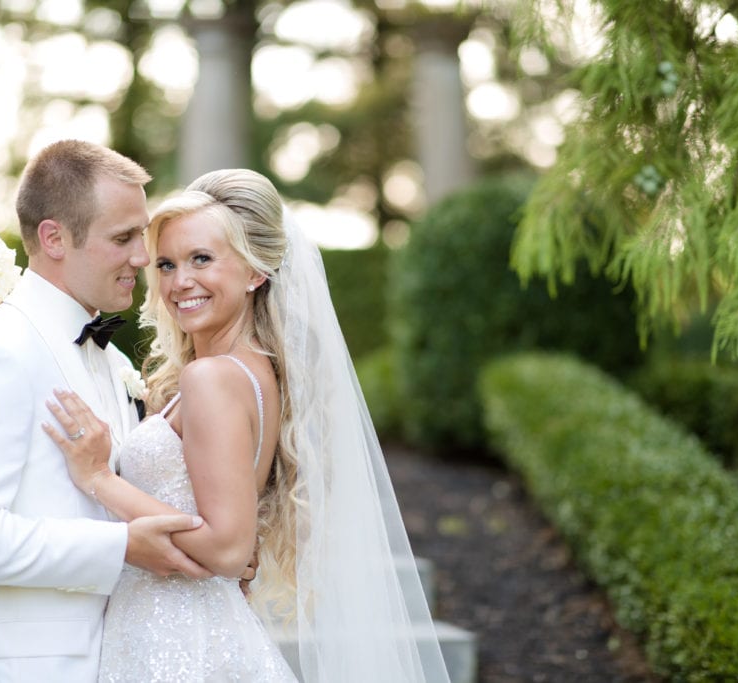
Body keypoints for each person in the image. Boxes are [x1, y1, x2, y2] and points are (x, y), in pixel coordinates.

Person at [44, 168, 451, 682]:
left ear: (256, 272)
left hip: (181, 646)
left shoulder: (213, 378)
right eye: (166, 264)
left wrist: (101, 479)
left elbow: (227, 548)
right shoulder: (255, 372)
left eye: (202, 259)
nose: (179, 282)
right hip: (189, 631)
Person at [0, 139, 213, 683]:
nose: (142, 258)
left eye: (141, 236)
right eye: (123, 238)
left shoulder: (113, 356)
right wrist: (122, 547)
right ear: (54, 237)